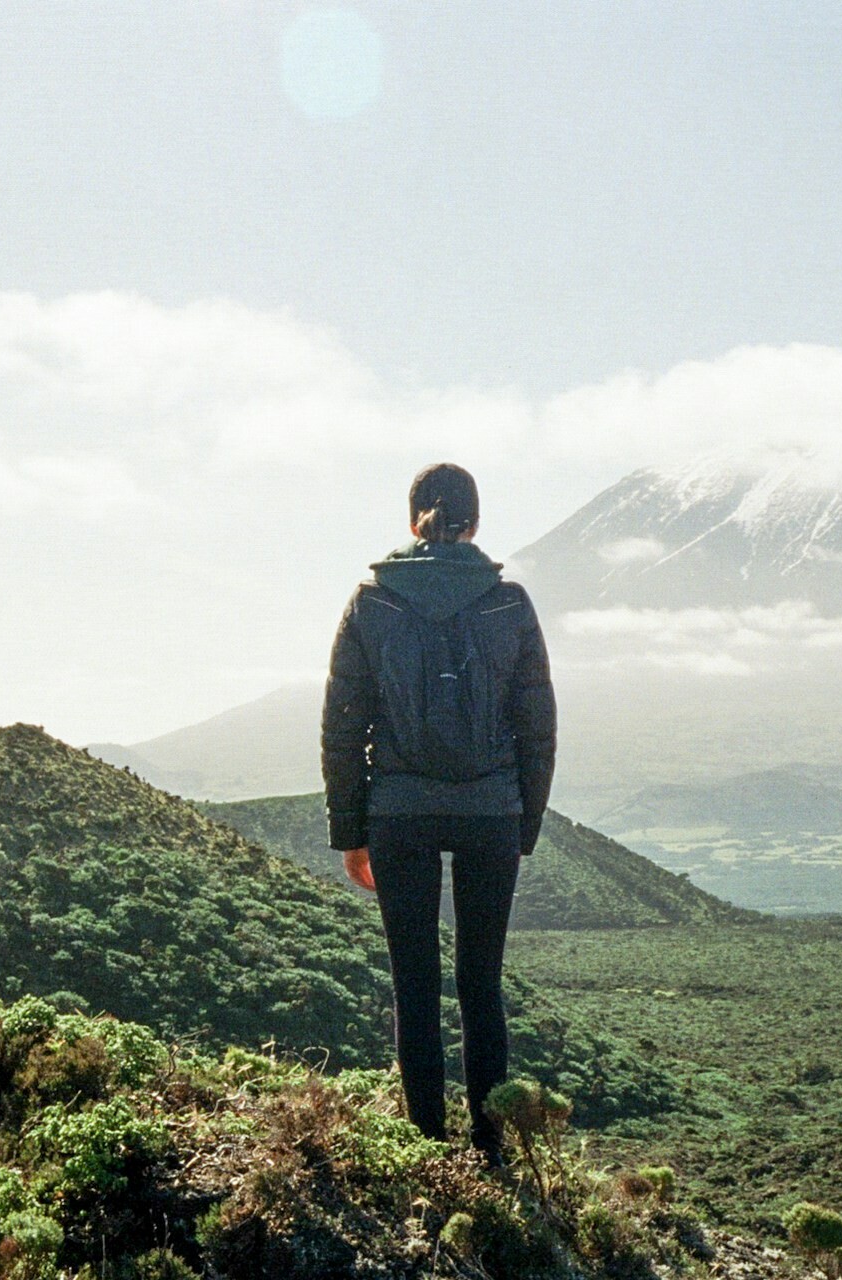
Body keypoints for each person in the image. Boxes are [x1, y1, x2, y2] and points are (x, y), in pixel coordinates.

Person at [320, 463, 556, 1162]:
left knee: (414, 983)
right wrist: (523, 826)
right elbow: (538, 728)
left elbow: (342, 727)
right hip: (491, 815)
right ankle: (490, 1148)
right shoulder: (510, 604)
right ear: (475, 524)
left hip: (400, 814)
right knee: (482, 983)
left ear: (412, 519)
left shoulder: (371, 602)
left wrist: (351, 832)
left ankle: (424, 1146)